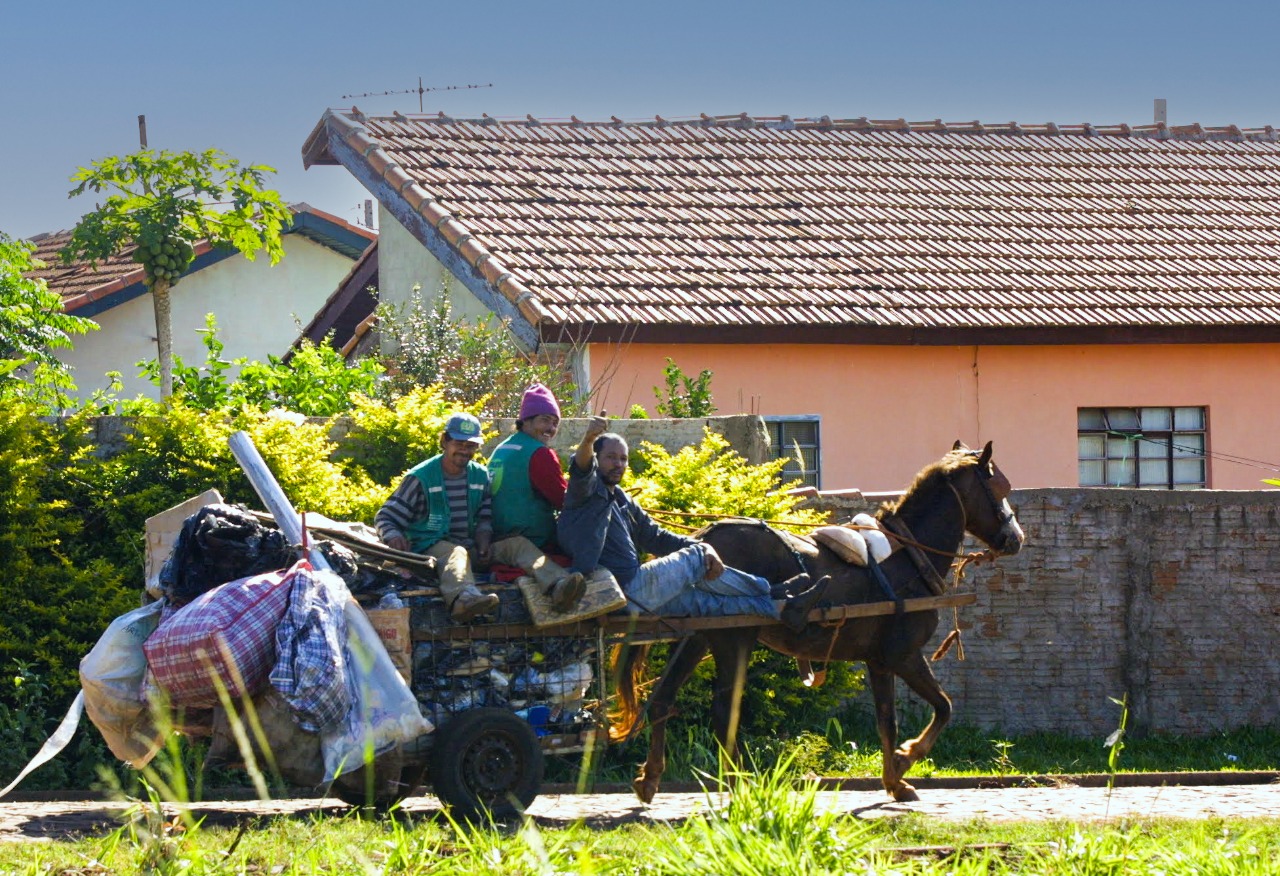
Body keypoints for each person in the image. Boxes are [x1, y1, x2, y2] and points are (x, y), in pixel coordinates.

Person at [556, 416, 829, 630]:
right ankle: (771, 589)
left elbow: (658, 537)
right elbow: (580, 467)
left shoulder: (624, 500)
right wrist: (590, 437)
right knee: (696, 557)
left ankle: (780, 608)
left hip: (637, 598)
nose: (618, 464)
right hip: (618, 591)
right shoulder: (585, 492)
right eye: (610, 458)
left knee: (705, 601)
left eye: (623, 458)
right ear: (597, 460)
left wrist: (703, 546)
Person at [375, 412, 585, 624]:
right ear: (445, 441)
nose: (465, 451)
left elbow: (485, 516)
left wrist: (484, 540)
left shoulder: (479, 475)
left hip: (469, 548)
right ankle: (463, 599)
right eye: (459, 443)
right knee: (454, 551)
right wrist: (392, 535)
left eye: (471, 446)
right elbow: (385, 517)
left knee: (518, 545)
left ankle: (559, 585)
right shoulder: (421, 477)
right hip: (429, 549)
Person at [488, 384, 585, 611]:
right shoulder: (540, 453)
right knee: (585, 563)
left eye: (554, 423)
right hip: (532, 541)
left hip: (497, 537)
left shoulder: (501, 449)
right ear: (526, 421)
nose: (550, 428)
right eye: (544, 420)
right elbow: (564, 501)